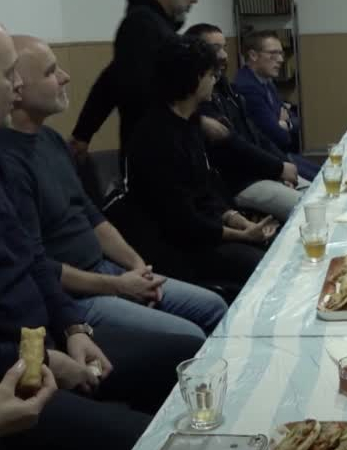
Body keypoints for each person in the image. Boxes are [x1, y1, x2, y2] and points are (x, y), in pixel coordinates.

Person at [0, 25, 204, 450]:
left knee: (185, 353)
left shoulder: (49, 142)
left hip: (52, 329)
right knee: (149, 432)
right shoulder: (10, 163)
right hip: (23, 363)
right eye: (7, 75)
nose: (15, 84)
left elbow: (34, 257)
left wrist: (74, 327)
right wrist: (44, 356)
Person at [0, 35, 227, 339]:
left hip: (106, 270)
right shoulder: (10, 162)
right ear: (18, 88)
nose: (65, 77)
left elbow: (92, 215)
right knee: (190, 337)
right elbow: (38, 264)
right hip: (77, 296)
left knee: (214, 307)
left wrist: (136, 266)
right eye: (51, 72)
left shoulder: (51, 140)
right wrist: (118, 286)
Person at [126, 35, 276, 295]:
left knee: (273, 250)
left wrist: (238, 220)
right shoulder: (157, 137)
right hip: (177, 247)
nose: (215, 80)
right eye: (210, 74)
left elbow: (206, 190)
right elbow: (183, 221)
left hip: (201, 230)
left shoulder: (190, 122)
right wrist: (241, 235)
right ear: (194, 79)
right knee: (265, 267)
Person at [69, 0, 216, 167]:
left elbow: (111, 78)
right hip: (154, 154)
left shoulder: (153, 24)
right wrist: (198, 121)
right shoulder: (142, 24)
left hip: (158, 148)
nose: (195, 0)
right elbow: (128, 88)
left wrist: (83, 133)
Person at [185, 23, 302, 223]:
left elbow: (256, 134)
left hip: (260, 172)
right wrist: (277, 168)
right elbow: (234, 145)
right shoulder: (202, 99)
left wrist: (282, 166)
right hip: (240, 183)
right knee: (307, 207)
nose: (224, 55)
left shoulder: (227, 89)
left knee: (319, 191)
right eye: (215, 49)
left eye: (224, 48)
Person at [234, 30, 319, 181]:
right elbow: (280, 137)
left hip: (281, 155)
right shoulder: (247, 87)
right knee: (322, 180)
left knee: (325, 172)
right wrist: (283, 124)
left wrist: (284, 123)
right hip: (269, 162)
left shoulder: (266, 81)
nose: (280, 59)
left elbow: (296, 121)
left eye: (281, 53)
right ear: (253, 55)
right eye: (273, 53)